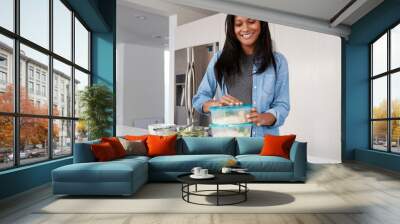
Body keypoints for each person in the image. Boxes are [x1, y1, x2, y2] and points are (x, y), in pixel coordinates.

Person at [192, 15, 290, 137]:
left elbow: (282, 105)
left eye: (251, 21)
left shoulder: (278, 61)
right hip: (227, 142)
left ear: (262, 24)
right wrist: (216, 105)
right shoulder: (219, 59)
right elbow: (199, 99)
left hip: (263, 143)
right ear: (232, 29)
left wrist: (263, 118)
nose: (245, 28)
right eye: (238, 24)